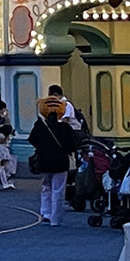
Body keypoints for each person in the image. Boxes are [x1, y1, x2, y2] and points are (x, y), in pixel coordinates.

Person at [29, 94, 78, 226]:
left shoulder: (39, 126)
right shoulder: (65, 128)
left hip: (44, 161)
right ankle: (55, 218)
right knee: (58, 189)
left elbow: (32, 140)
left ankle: (45, 212)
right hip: (61, 162)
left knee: (46, 187)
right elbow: (73, 144)